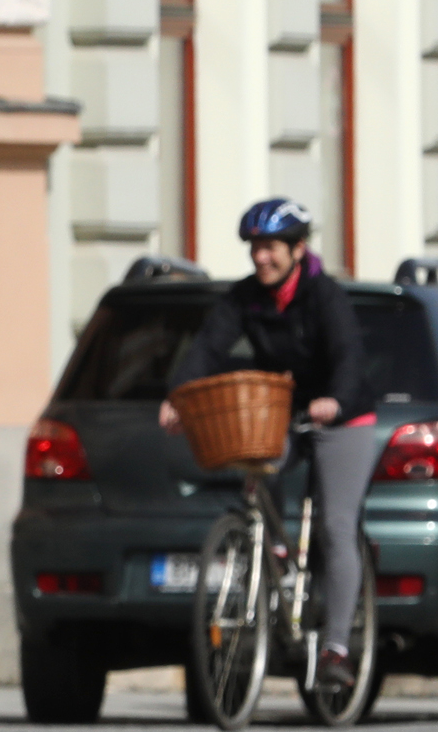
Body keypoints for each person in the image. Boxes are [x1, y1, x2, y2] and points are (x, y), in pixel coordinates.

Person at [160, 197, 375, 693]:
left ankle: (337, 649)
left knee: (336, 525)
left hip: (344, 415)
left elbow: (348, 353)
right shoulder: (246, 298)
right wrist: (178, 396)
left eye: (271, 247)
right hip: (286, 409)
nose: (261, 258)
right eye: (255, 248)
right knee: (258, 460)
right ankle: (273, 549)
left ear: (298, 250)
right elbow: (208, 348)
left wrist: (337, 400)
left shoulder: (324, 296)